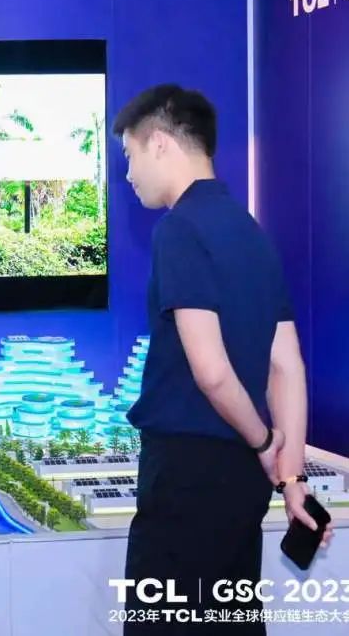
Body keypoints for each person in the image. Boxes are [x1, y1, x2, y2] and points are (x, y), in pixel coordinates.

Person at [112, 84, 334, 634]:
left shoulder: (180, 228)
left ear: (160, 143)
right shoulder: (251, 231)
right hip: (241, 484)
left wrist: (263, 440)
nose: (129, 174)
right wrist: (290, 476)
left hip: (186, 474)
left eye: (130, 155)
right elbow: (287, 365)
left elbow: (210, 372)